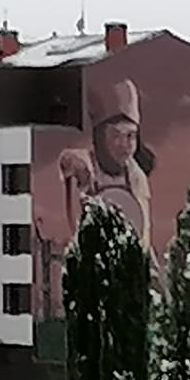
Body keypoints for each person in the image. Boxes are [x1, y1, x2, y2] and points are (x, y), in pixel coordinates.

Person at [58, 78, 157, 263]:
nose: (124, 145)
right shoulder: (85, 166)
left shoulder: (136, 177)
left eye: (130, 136)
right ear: (99, 137)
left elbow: (143, 235)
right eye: (115, 135)